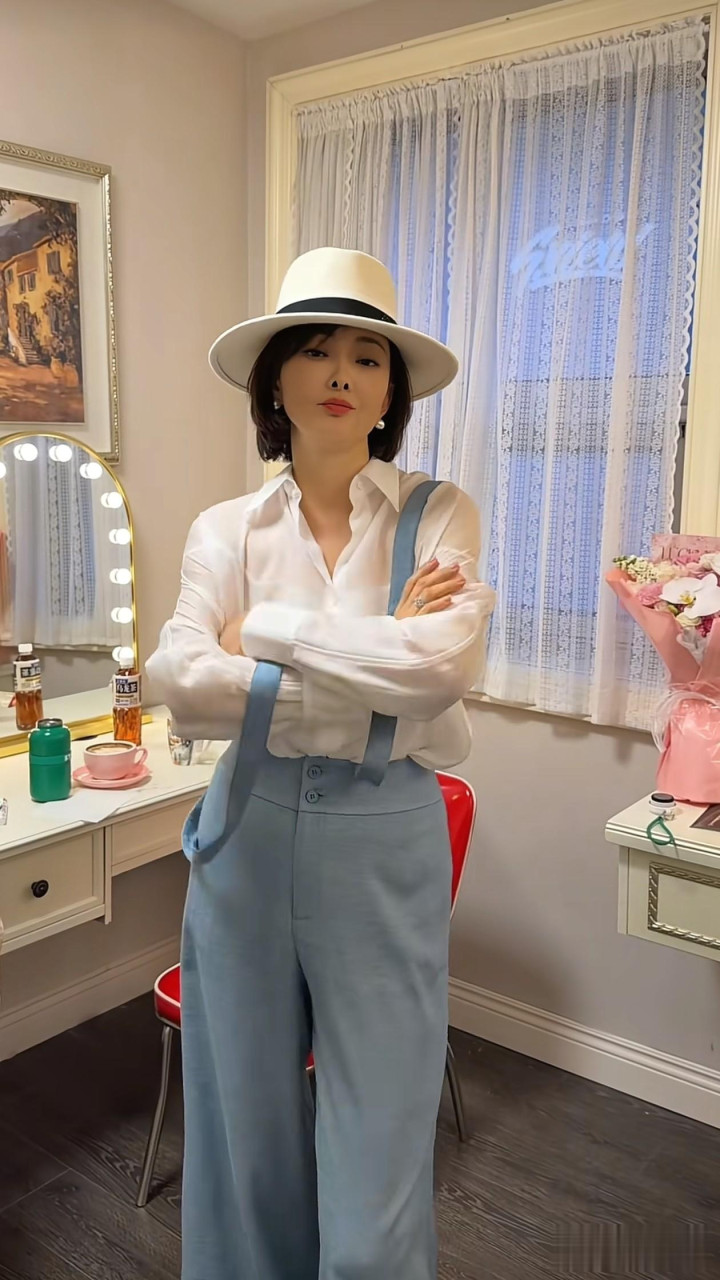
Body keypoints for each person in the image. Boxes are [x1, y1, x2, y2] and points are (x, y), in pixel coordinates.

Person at [146, 246, 495, 1280]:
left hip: (387, 834)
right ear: (275, 379)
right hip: (244, 833)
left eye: (368, 358)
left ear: (390, 394)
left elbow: (438, 670)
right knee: (241, 1122)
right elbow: (178, 680)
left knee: (381, 1134)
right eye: (315, 350)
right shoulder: (226, 527)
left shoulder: (441, 512)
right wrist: (372, 660)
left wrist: (263, 634)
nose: (342, 372)